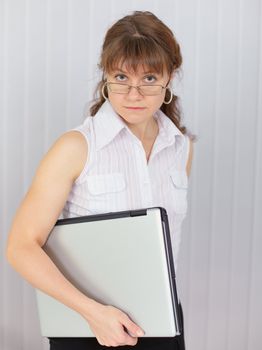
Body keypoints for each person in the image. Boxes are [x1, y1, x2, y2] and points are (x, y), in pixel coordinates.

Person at [6, 10, 194, 350]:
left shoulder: (181, 148)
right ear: (105, 75)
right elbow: (21, 247)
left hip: (163, 324)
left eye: (149, 79)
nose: (134, 94)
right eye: (121, 77)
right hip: (87, 328)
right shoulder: (75, 147)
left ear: (170, 77)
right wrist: (92, 313)